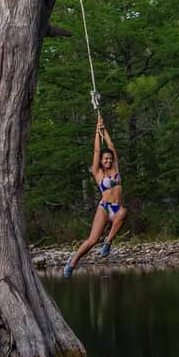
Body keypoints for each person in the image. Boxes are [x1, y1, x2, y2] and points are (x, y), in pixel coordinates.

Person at [64, 115, 127, 277]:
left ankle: (108, 242)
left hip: (116, 208)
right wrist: (96, 131)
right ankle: (72, 263)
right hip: (104, 208)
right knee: (92, 240)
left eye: (110, 159)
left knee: (123, 212)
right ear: (101, 161)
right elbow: (97, 150)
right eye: (106, 159)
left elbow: (111, 146)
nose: (108, 160)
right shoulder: (97, 172)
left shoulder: (116, 169)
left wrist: (103, 129)